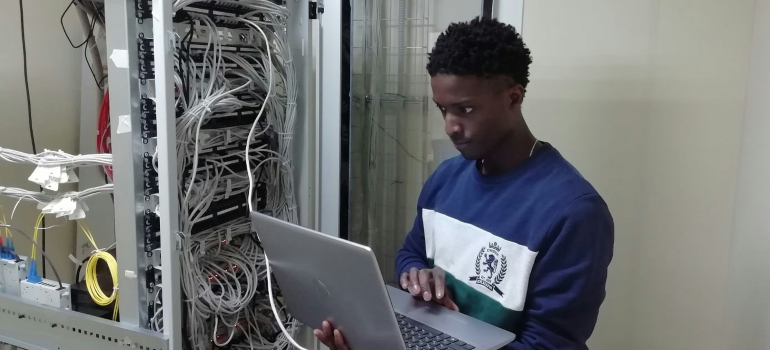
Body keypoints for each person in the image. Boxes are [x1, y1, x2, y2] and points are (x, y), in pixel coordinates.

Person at [315, 17, 614, 350]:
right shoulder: (445, 178)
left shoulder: (574, 212)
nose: (449, 127)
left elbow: (547, 344)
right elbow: (412, 252)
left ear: (513, 98)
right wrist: (415, 275)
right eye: (443, 109)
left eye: (465, 109)